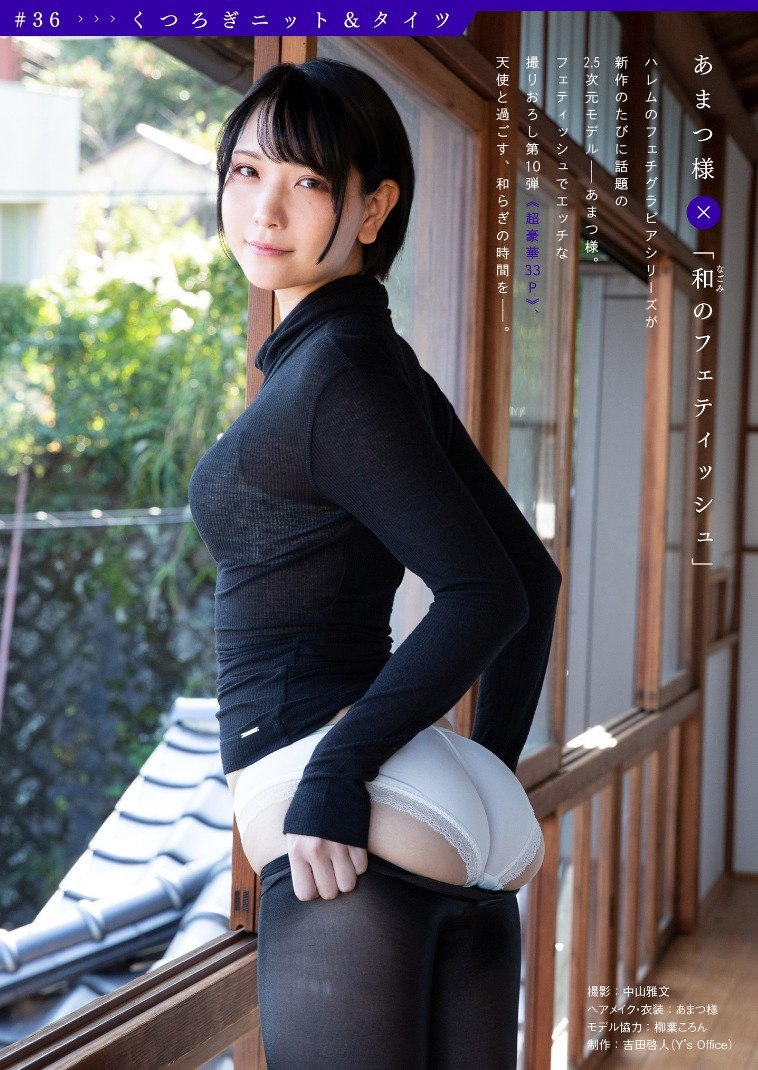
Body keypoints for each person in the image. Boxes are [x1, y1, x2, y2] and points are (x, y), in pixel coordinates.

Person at [189, 57, 562, 1070]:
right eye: (246, 171)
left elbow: (488, 590)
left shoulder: (337, 375)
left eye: (307, 181)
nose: (264, 207)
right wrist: (483, 770)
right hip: (417, 809)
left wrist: (338, 770)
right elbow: (530, 578)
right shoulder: (365, 358)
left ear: (373, 207)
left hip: (338, 804)